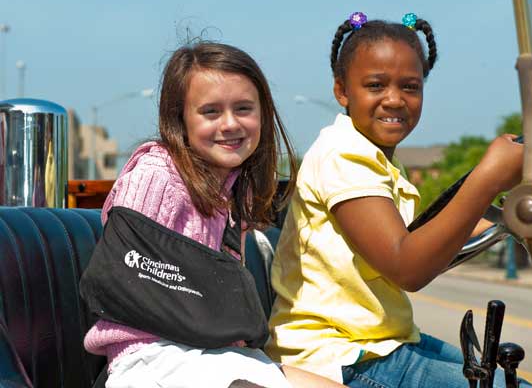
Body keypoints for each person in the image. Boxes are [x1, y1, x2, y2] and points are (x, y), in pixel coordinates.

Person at [265, 12, 529, 387]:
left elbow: (426, 241)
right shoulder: (343, 155)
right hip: (339, 355)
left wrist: (508, 217)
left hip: (380, 343)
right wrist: (487, 178)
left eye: (410, 86)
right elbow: (408, 266)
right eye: (376, 85)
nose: (394, 100)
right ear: (342, 91)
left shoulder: (377, 159)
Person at [81, 42, 345, 388]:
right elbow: (124, 277)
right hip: (149, 359)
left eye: (244, 108)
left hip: (217, 355)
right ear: (180, 119)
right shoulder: (156, 174)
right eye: (210, 112)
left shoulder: (234, 192)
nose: (230, 124)